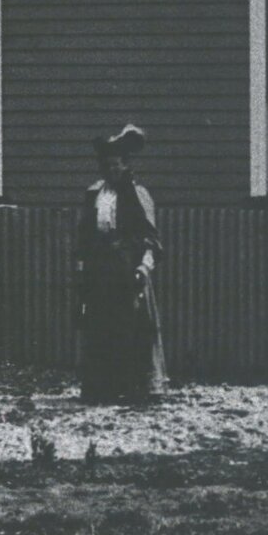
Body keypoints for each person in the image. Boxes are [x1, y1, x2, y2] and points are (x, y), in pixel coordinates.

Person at [77, 124, 168, 403]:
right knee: (101, 327)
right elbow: (85, 234)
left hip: (129, 268)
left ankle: (137, 388)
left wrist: (144, 267)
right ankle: (102, 388)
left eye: (117, 165)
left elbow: (150, 237)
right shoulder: (95, 194)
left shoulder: (137, 194)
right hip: (101, 269)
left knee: (133, 327)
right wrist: (83, 266)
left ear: (126, 165)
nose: (112, 170)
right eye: (107, 165)